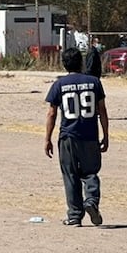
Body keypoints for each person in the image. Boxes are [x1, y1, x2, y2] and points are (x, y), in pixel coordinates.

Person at [44, 47, 109, 227]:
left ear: (64, 64)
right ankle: (91, 201)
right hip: (89, 135)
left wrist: (47, 138)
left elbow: (51, 113)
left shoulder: (59, 84)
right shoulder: (94, 82)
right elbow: (102, 110)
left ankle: (74, 215)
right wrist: (106, 134)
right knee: (90, 172)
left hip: (68, 136)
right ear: (81, 62)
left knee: (70, 174)